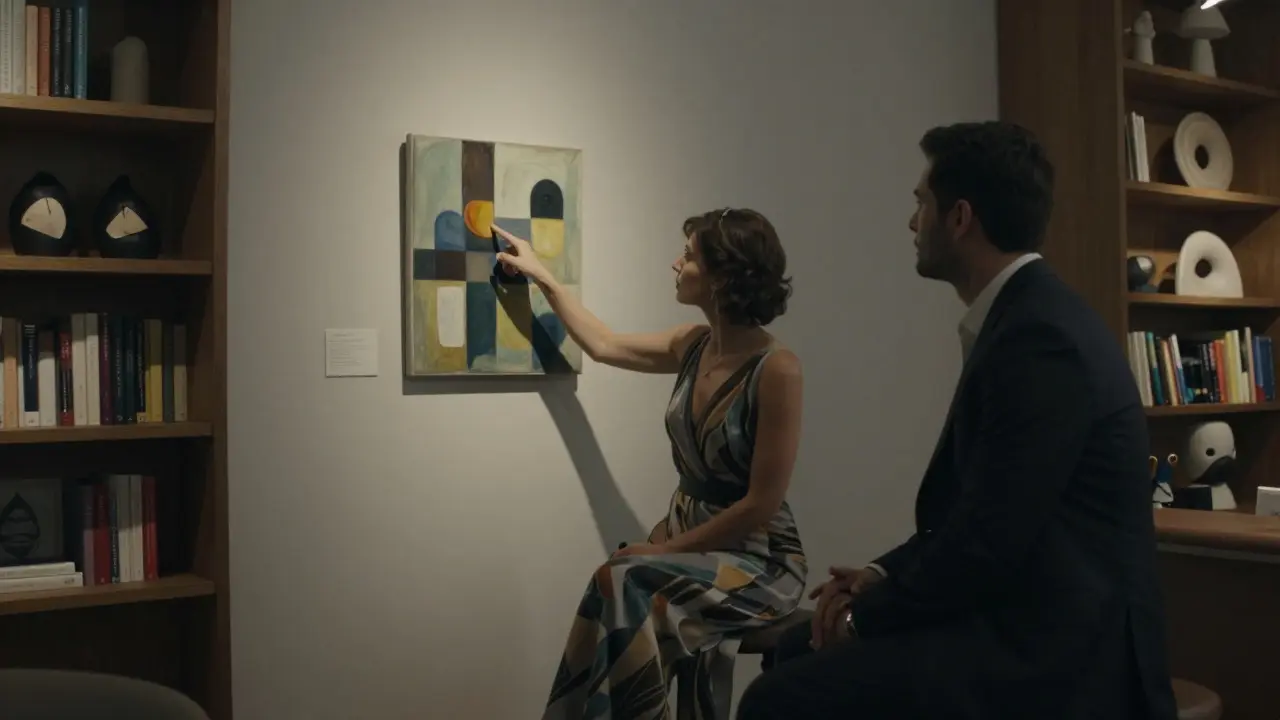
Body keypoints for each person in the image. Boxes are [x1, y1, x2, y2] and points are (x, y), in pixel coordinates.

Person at [737, 121, 1178, 719]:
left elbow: (988, 545)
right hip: (1027, 619)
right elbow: (976, 519)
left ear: (960, 217)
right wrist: (873, 575)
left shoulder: (1040, 339)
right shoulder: (1025, 320)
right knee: (793, 650)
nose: (912, 223)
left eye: (921, 204)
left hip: (1063, 655)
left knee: (778, 699)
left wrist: (862, 614)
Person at [490, 209, 808, 720]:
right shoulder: (692, 344)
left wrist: (661, 548)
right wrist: (544, 276)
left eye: (688, 255)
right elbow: (603, 343)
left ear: (723, 276)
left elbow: (761, 504)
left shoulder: (778, 370)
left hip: (757, 560)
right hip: (690, 538)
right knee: (616, 581)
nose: (675, 264)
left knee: (624, 578)